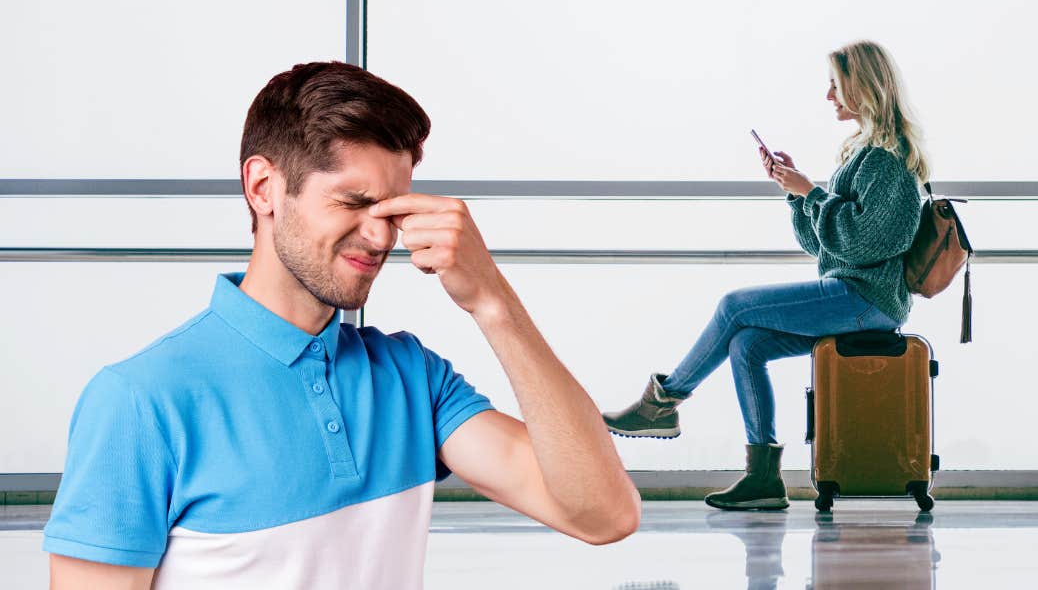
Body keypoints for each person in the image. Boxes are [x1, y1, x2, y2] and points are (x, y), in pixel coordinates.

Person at [42, 61, 640, 589]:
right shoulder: (139, 401)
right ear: (263, 188)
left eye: (391, 211)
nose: (381, 237)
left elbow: (603, 515)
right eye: (353, 204)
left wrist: (493, 304)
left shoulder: (412, 379)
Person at [603, 40, 928, 511]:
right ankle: (763, 479)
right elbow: (823, 244)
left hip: (866, 299)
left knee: (735, 306)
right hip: (850, 295)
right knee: (746, 344)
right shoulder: (863, 153)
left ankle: (662, 402)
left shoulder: (886, 159)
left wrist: (811, 192)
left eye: (836, 85)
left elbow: (865, 242)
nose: (829, 96)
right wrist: (797, 194)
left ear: (864, 87)